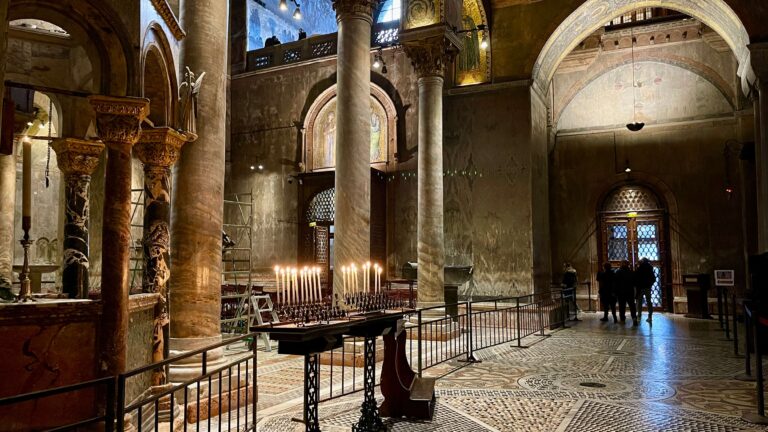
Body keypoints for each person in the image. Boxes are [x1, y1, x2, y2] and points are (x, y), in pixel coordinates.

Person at [615, 260, 638, 325]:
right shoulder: (631, 272)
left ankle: (622, 319)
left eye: (621, 263)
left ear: (622, 264)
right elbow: (635, 283)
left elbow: (616, 283)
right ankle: (634, 318)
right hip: (630, 291)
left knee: (622, 306)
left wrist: (615, 292)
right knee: (632, 306)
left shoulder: (618, 272)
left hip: (621, 292)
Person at [635, 258, 656, 324]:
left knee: (639, 302)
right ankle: (650, 316)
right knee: (649, 302)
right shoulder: (650, 268)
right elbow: (653, 279)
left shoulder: (639, 268)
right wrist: (650, 285)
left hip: (640, 288)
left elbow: (636, 278)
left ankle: (639, 316)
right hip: (647, 288)